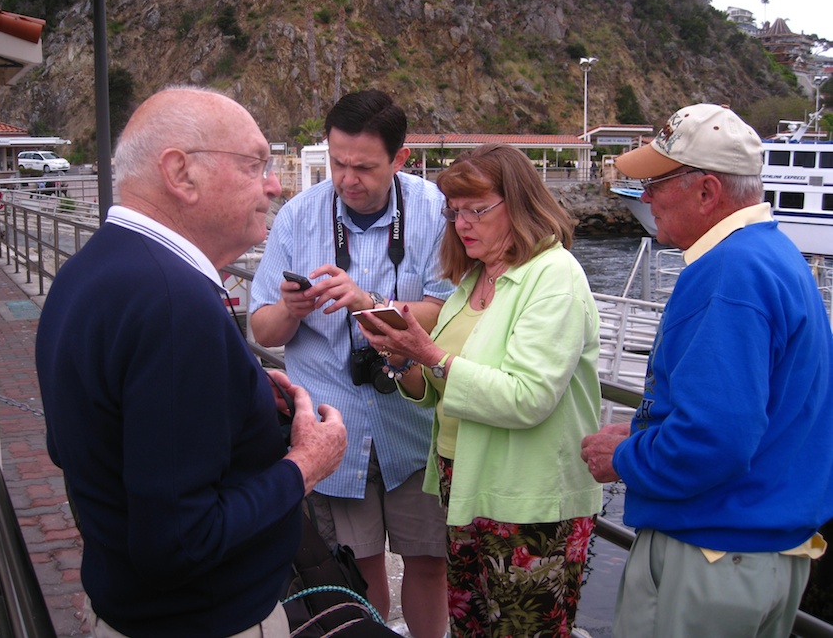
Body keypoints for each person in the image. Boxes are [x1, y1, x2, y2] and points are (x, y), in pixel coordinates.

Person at [36, 86, 347, 638]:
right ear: (181, 174)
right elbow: (179, 543)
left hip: (124, 606)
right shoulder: (175, 304)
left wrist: (236, 401)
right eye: (256, 164)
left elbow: (77, 444)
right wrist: (306, 463)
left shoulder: (88, 272)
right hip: (203, 620)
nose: (275, 185)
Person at [580, 103, 833, 637]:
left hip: (712, 554)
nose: (644, 196)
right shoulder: (776, 257)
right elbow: (765, 415)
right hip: (766, 553)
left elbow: (715, 440)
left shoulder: (726, 273)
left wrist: (625, 455)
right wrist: (651, 432)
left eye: (656, 181)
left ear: (706, 191)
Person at [356, 143, 603, 637]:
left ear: (520, 203)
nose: (461, 223)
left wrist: (430, 355)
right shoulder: (475, 279)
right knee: (471, 625)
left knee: (521, 629)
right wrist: (402, 358)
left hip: (528, 501)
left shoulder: (554, 277)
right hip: (464, 486)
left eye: (477, 209)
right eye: (454, 212)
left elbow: (527, 397)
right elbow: (435, 389)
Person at [249, 90, 453, 638]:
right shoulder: (297, 215)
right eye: (337, 162)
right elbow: (261, 327)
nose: (346, 178)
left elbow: (447, 310)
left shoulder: (435, 209)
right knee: (358, 570)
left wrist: (366, 303)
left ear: (400, 159)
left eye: (363, 166)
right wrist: (291, 310)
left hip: (414, 426)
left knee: (430, 561)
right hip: (333, 429)